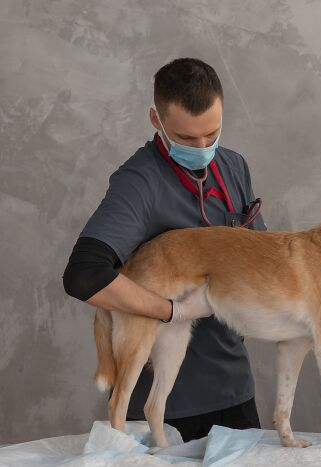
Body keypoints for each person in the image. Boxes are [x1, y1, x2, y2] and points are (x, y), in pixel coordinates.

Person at [63, 58, 265, 441]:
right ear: (157, 120)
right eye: (187, 139)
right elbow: (83, 275)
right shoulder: (139, 182)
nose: (203, 147)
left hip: (235, 389)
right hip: (174, 407)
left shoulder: (234, 166)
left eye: (212, 132)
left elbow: (259, 254)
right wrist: (173, 311)